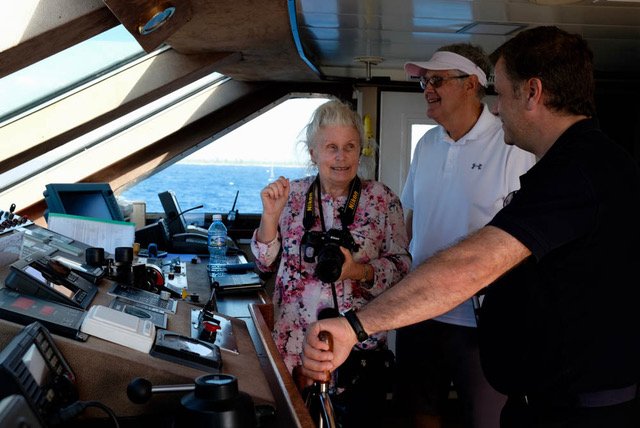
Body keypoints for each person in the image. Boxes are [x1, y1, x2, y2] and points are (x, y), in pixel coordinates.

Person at [301, 26, 640, 428]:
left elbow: (475, 262)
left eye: (503, 93)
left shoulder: (576, 172)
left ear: (532, 92)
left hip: (577, 406)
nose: (497, 108)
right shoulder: (582, 163)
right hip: (550, 391)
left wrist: (355, 326)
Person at [395, 44, 536, 428]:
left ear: (471, 84)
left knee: (488, 418)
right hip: (420, 307)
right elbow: (411, 220)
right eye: (424, 82)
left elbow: (523, 239)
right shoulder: (426, 144)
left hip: (482, 320)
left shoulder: (510, 145)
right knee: (420, 411)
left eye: (437, 80)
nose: (427, 89)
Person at [250, 98, 411, 425]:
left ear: (360, 151)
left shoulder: (382, 199)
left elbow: (402, 269)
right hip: (296, 350)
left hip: (359, 351)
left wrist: (357, 271)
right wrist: (269, 217)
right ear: (313, 153)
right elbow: (264, 264)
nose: (341, 157)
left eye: (350, 147)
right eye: (331, 147)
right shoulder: (291, 196)